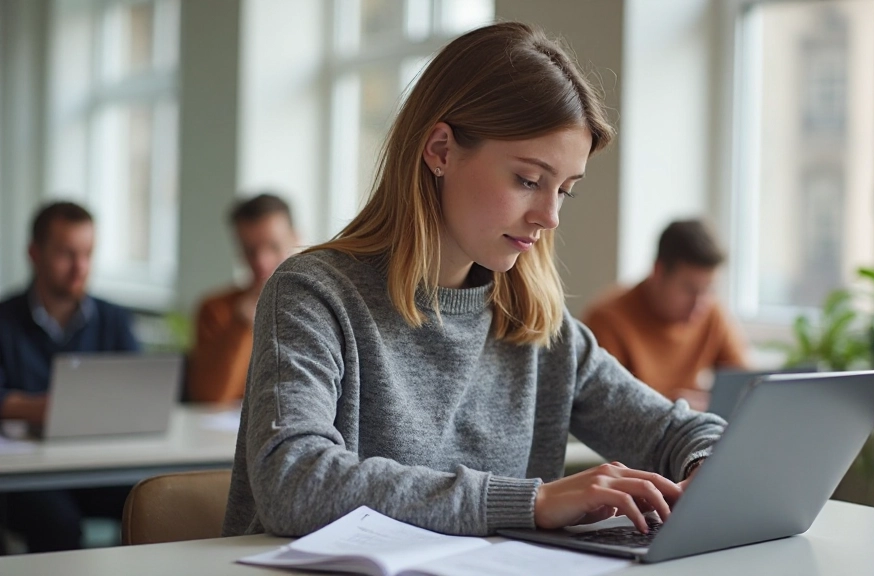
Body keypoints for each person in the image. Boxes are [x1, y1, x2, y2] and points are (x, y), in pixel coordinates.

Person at [222, 22, 726, 540]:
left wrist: (706, 464)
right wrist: (531, 501)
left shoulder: (539, 330)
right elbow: (294, 482)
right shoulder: (311, 294)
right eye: (528, 180)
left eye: (565, 190)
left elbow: (678, 431)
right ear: (440, 150)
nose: (550, 216)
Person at [0, 200, 139, 552]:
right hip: (27, 475)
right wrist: (42, 409)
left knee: (156, 503)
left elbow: (140, 387)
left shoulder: (113, 319)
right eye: (66, 254)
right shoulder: (4, 321)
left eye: (88, 253)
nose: (80, 267)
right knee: (57, 524)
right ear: (34, 253)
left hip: (100, 463)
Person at [582, 220, 748, 411]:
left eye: (708, 289)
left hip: (689, 432)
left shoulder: (712, 313)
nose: (699, 304)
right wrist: (677, 405)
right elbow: (605, 408)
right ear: (658, 272)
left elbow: (746, 389)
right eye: (689, 289)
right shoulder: (607, 320)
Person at [187, 193, 298, 403]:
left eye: (273, 247)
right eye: (250, 251)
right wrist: (241, 326)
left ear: (296, 239)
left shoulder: (320, 309)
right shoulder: (217, 310)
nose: (261, 262)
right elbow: (209, 398)